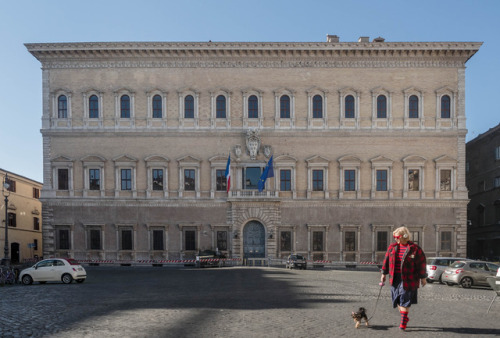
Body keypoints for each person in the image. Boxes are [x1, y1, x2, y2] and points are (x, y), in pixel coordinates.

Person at [380, 226, 427, 330]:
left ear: (404, 236)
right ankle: (404, 317)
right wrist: (383, 274)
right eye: (394, 237)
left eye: (397, 237)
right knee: (397, 299)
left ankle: (403, 321)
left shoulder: (415, 249)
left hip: (409, 279)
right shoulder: (392, 247)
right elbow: (386, 261)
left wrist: (423, 277)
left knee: (404, 298)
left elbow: (421, 263)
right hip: (394, 278)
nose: (395, 239)